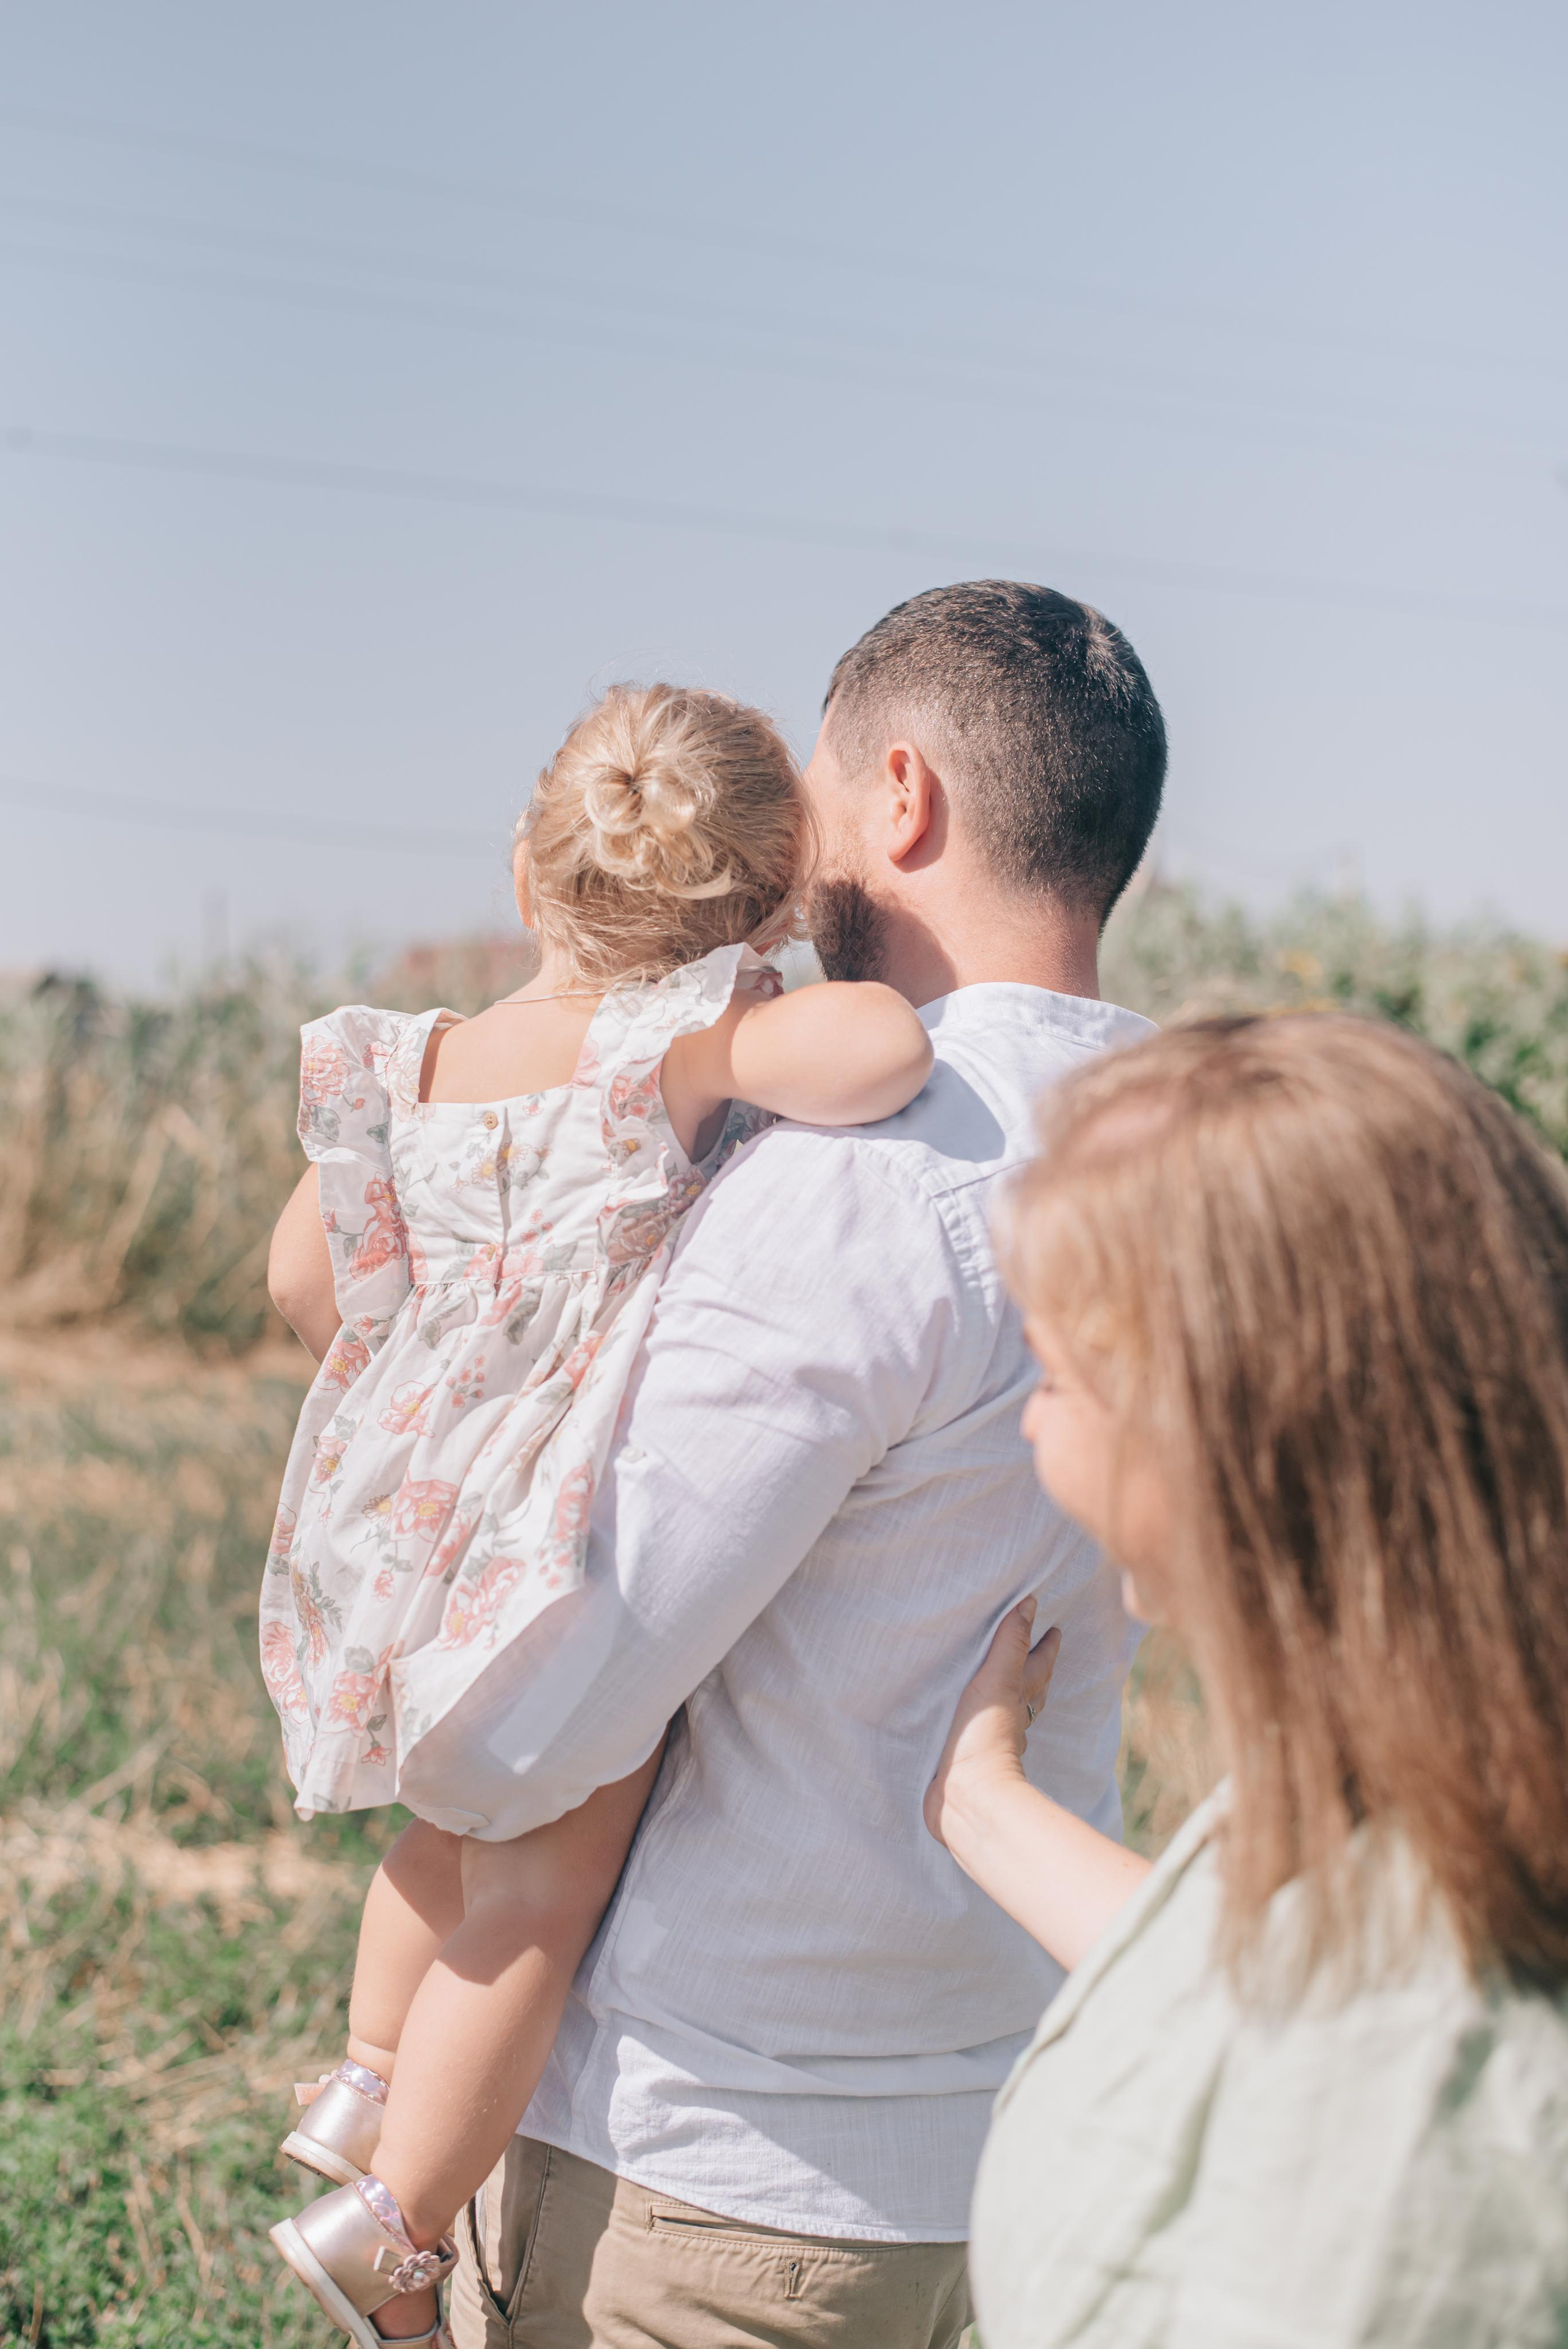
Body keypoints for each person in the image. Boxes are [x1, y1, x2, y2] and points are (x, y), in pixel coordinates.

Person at [434, 580, 1170, 2349]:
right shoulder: (1199, 1149)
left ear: (901, 797)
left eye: (818, 796)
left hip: (715, 2168)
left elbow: (549, 1705)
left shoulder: (864, 1177)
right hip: (1006, 2137)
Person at [259, 680, 937, 2348]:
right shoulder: (664, 1052)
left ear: (524, 871)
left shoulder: (410, 1060)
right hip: (535, 1554)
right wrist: (761, 989)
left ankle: (364, 2080)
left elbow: (298, 1283)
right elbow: (886, 1052)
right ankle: (396, 2231)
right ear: (758, 906)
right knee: (533, 1899)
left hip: (398, 1539)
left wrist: (432, 1356)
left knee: (446, 1826)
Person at [926, 1013, 1568, 2349]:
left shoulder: (1400, 2123)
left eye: (1055, 1379)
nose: (1030, 1422)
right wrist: (980, 1800)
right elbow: (1232, 1964)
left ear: (1224, 1441)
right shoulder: (1442, 1771)